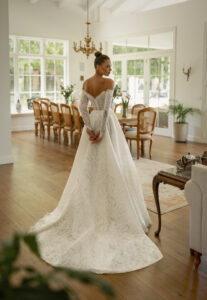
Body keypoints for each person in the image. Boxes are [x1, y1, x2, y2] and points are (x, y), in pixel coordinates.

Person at [30, 52, 162, 274]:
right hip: (106, 125)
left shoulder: (87, 83)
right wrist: (100, 131)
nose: (110, 70)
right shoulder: (109, 83)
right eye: (108, 66)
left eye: (110, 67)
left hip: (91, 125)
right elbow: (108, 107)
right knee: (114, 166)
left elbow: (82, 107)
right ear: (98, 66)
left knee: (88, 169)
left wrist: (89, 127)